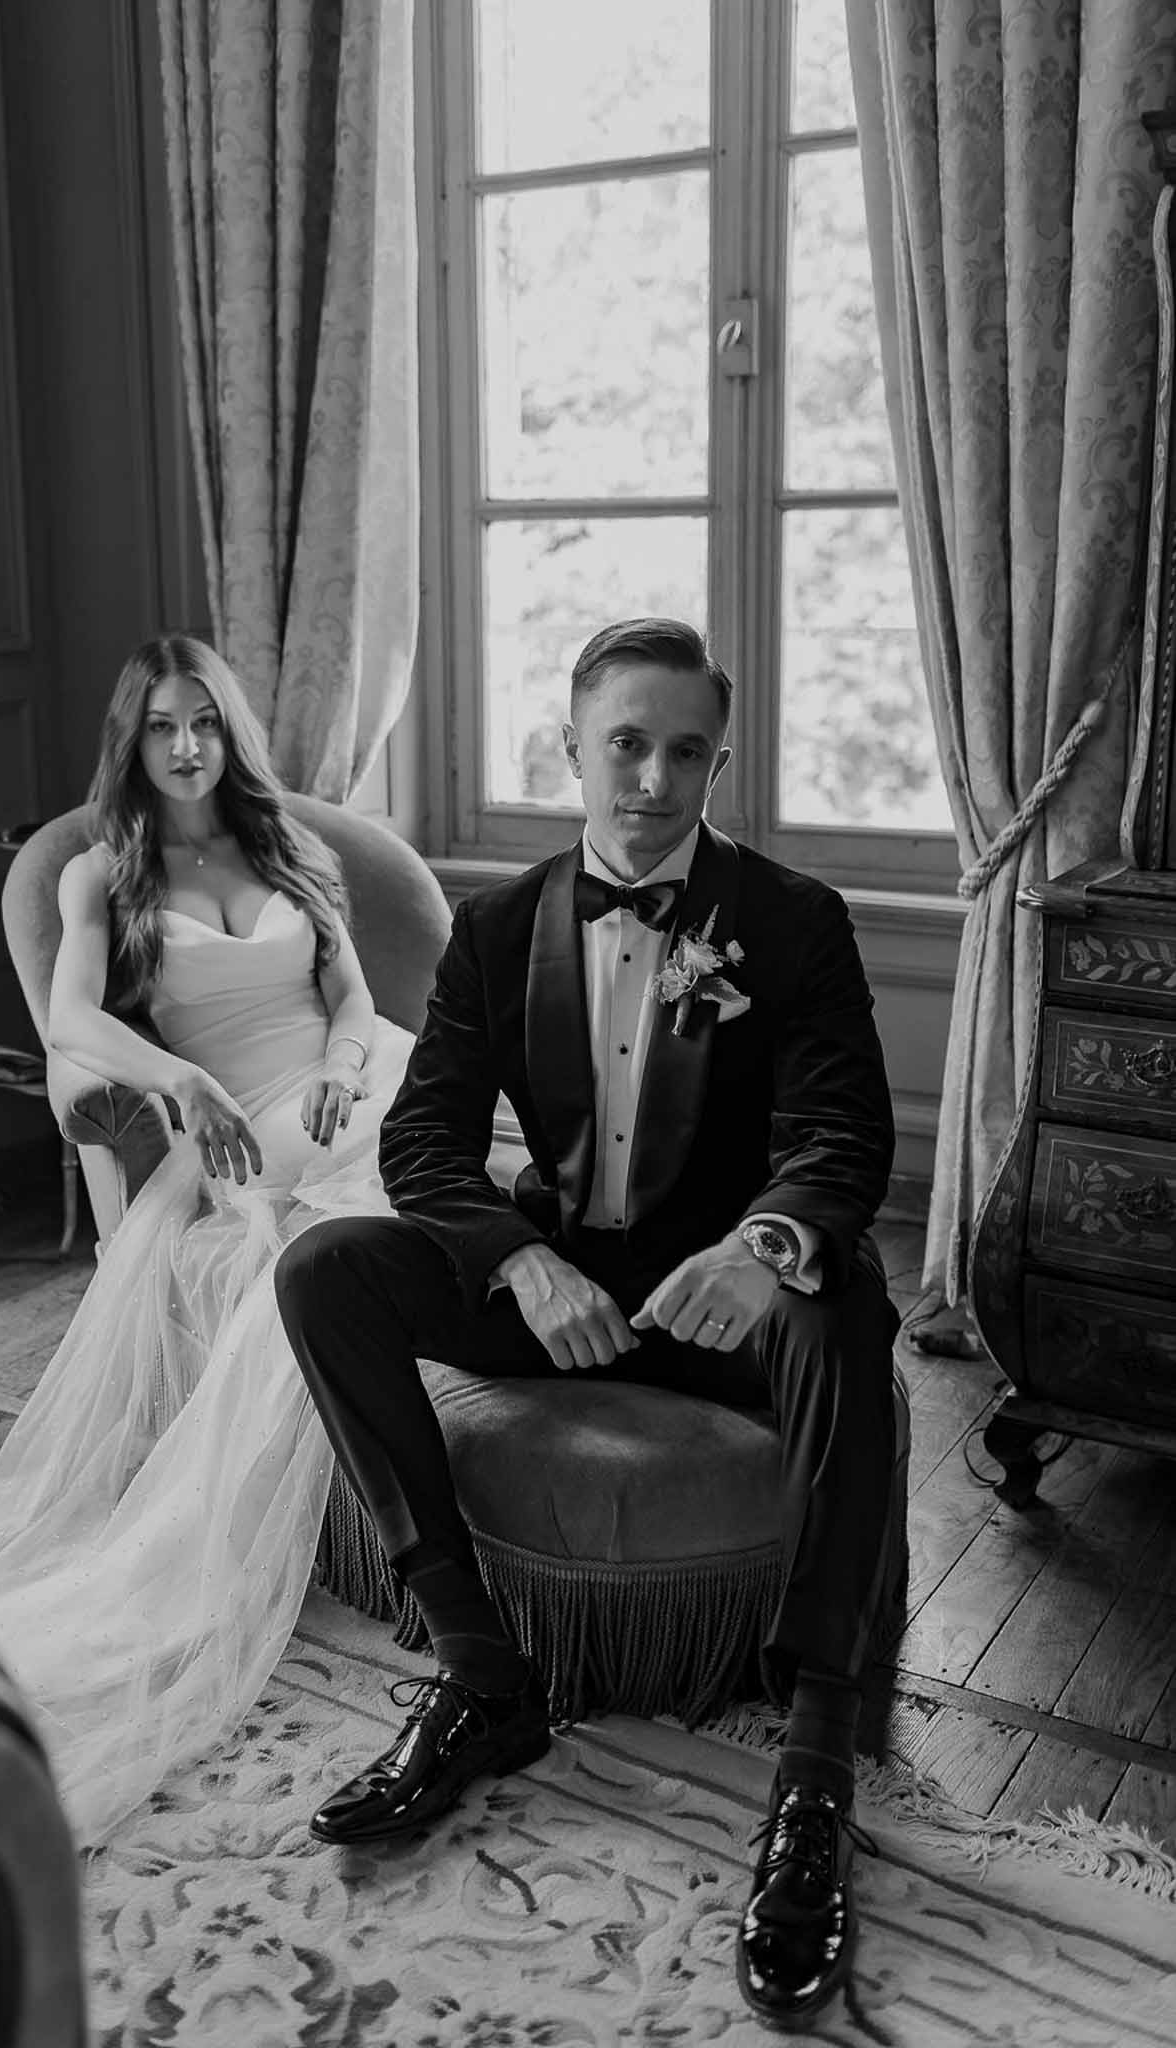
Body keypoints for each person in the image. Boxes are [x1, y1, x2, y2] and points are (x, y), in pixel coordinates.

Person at [274, 616, 901, 2034]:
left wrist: (763, 1244)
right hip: (561, 1287)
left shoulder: (792, 920)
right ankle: (482, 1674)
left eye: (686, 750)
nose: (653, 777)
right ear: (572, 746)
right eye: (626, 742)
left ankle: (813, 1769)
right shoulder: (495, 926)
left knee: (847, 1299)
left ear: (716, 761)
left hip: (716, 1301)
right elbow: (424, 1141)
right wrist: (514, 1264)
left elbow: (843, 1135)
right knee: (325, 1274)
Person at [0, 634, 416, 1844]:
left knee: (459, 1145)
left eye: (205, 723)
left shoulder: (293, 847)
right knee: (325, 1229)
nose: (186, 747)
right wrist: (182, 1079)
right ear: (130, 740)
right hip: (236, 1113)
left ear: (232, 729)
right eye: (161, 727)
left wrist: (349, 1063)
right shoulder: (102, 870)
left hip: (350, 1078)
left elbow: (348, 995)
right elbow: (73, 1012)